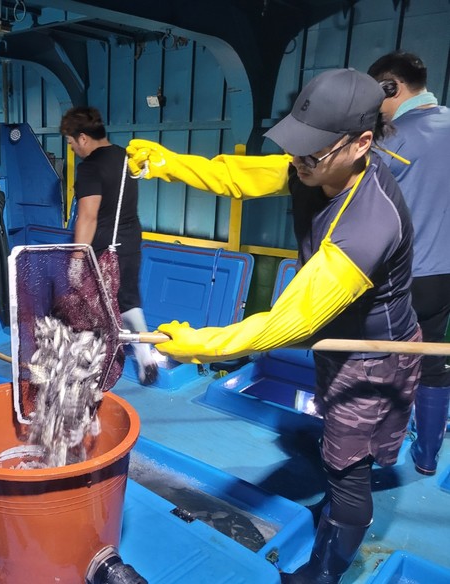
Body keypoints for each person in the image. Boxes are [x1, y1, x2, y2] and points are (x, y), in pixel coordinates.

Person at [127, 69, 421, 584]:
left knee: (348, 472)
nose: (298, 159)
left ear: (361, 143)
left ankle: (322, 574)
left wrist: (201, 344)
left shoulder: (370, 221)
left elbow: (290, 321)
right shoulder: (313, 167)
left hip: (375, 354)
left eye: (313, 151)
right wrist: (168, 163)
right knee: (338, 447)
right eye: (296, 146)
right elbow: (238, 176)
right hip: (338, 338)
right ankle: (337, 493)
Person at [367, 51, 450, 476]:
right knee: (433, 359)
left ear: (391, 87)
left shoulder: (392, 139)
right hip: (445, 274)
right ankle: (428, 455)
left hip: (407, 276)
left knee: (381, 361)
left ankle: (375, 452)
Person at [60, 106, 158, 385]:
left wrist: (77, 258)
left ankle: (90, 366)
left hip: (104, 247)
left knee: (89, 304)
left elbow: (87, 217)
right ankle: (146, 356)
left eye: (71, 142)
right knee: (128, 298)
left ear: (83, 138)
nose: (72, 148)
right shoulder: (124, 156)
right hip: (130, 239)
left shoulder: (90, 167)